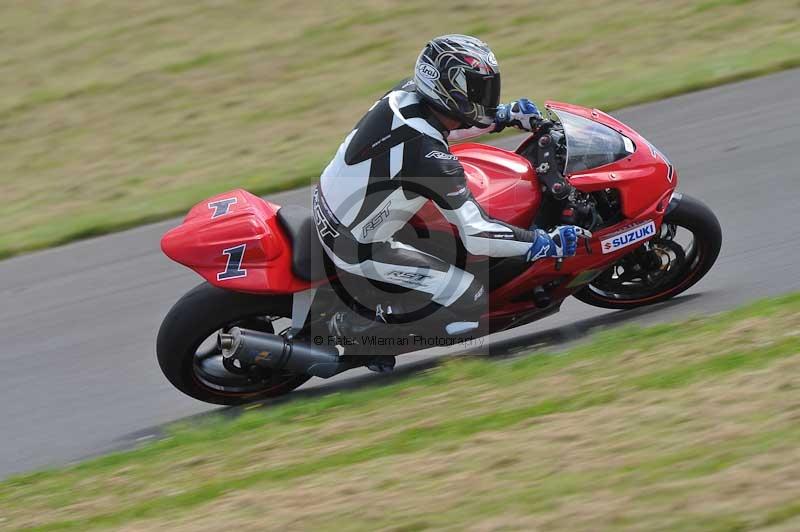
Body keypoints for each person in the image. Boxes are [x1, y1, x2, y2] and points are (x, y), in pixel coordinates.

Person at [313, 34, 583, 348]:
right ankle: (359, 332)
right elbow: (478, 234)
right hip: (356, 243)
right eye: (477, 89)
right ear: (446, 87)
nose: (485, 96)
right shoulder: (430, 157)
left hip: (334, 200)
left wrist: (501, 116)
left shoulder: (406, 93)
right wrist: (543, 242)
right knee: (471, 300)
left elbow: (446, 124)